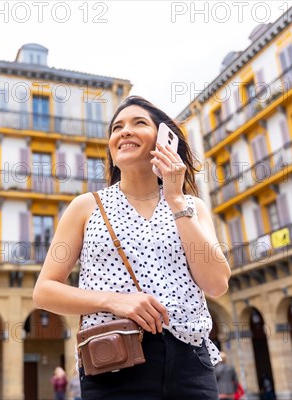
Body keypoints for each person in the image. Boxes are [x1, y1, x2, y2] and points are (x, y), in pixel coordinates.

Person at [33, 96, 231, 399]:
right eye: (117, 127)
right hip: (114, 361)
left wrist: (177, 201)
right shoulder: (87, 207)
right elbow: (44, 291)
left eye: (138, 123)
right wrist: (114, 301)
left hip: (191, 365)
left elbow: (217, 284)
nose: (124, 131)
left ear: (165, 141)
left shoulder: (193, 206)